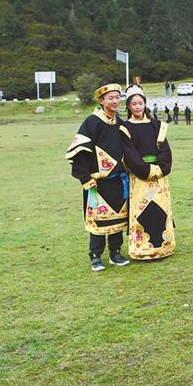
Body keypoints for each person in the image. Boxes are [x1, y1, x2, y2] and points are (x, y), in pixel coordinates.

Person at [65, 83, 130, 271]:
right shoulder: (92, 122)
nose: (115, 101)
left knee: (117, 218)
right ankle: (95, 256)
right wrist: (85, 178)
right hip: (97, 182)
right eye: (111, 98)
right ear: (101, 101)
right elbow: (80, 151)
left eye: (117, 97)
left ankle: (115, 253)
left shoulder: (120, 123)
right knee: (98, 220)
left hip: (118, 181)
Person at [119, 85, 176, 260]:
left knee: (160, 209)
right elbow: (130, 154)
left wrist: (161, 168)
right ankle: (142, 248)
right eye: (134, 104)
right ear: (128, 106)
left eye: (140, 103)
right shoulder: (125, 128)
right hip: (139, 177)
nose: (138, 107)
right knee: (143, 210)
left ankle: (164, 246)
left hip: (159, 177)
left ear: (145, 104)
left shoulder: (157, 125)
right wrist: (146, 170)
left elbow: (165, 150)